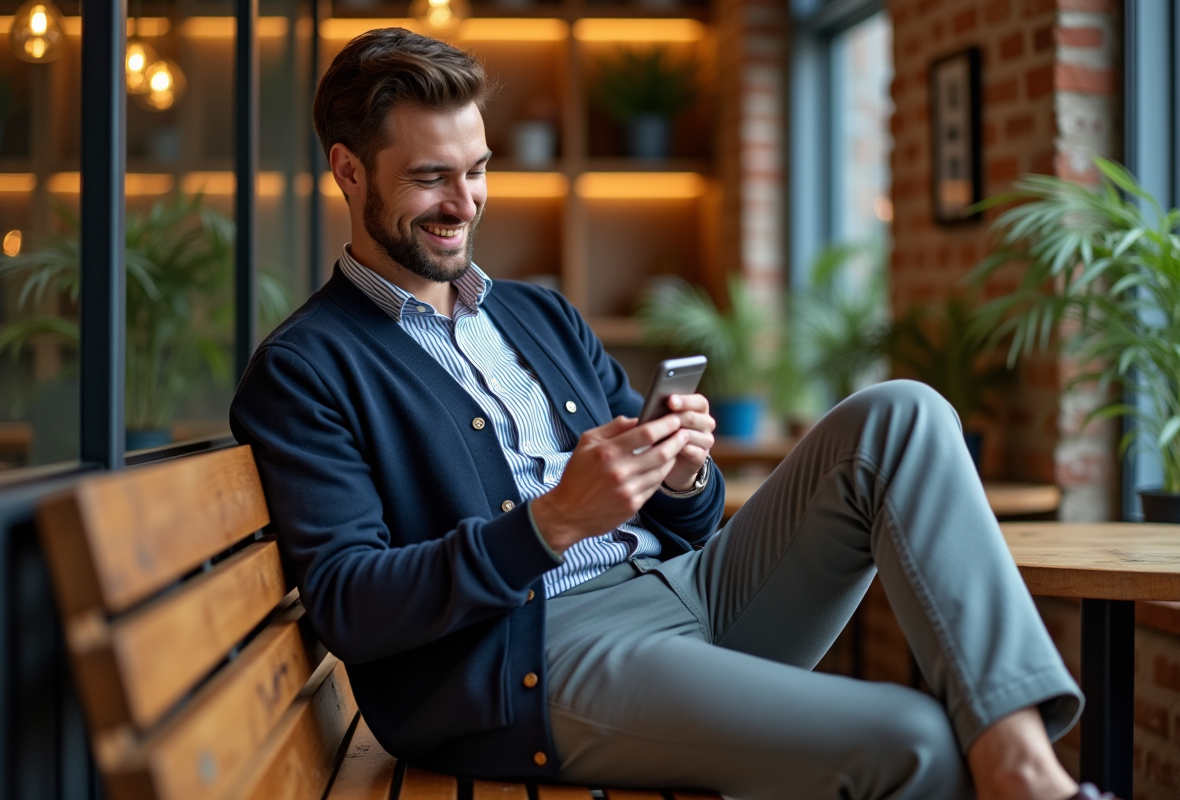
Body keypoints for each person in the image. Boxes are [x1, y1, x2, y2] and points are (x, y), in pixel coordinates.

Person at [231, 27, 1104, 800]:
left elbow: (687, 524)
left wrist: (682, 478)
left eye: (479, 169)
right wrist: (550, 523)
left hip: (686, 590)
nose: (465, 203)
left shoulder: (540, 316)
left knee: (901, 415)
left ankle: (1025, 766)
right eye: (431, 178)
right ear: (349, 170)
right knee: (914, 741)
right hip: (534, 662)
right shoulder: (306, 370)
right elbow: (347, 604)